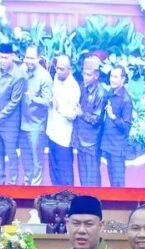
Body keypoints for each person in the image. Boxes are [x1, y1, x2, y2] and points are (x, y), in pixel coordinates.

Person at [0, 42, 26, 185]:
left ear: (12, 57)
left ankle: (13, 184)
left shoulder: (19, 76)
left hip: (10, 123)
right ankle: (0, 181)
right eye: (1, 57)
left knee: (11, 154)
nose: (3, 60)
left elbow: (14, 103)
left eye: (6, 58)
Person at [19, 45, 52, 185]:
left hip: (36, 126)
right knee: (25, 158)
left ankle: (36, 189)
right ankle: (27, 186)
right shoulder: (22, 70)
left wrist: (34, 98)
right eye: (27, 57)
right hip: (22, 123)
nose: (29, 61)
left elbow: (48, 101)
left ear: (38, 58)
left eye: (32, 58)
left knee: (36, 160)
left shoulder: (45, 77)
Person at [72, 56, 106, 187]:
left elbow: (96, 119)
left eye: (88, 75)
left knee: (92, 178)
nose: (85, 77)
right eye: (84, 73)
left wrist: (81, 114)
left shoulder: (101, 93)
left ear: (96, 75)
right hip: (81, 139)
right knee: (83, 176)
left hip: (92, 143)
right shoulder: (82, 86)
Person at [46, 55, 80, 186]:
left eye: (62, 69)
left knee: (65, 176)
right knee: (54, 172)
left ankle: (68, 197)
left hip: (64, 139)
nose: (58, 71)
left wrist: (59, 107)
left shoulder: (74, 87)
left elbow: (73, 115)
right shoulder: (56, 78)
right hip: (52, 134)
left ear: (69, 69)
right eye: (57, 68)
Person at [101, 65, 133, 188]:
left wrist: (113, 117)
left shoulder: (126, 100)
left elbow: (126, 128)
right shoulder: (110, 92)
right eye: (111, 76)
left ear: (123, 79)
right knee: (112, 182)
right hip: (109, 146)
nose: (112, 79)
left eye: (115, 77)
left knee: (118, 184)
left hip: (118, 150)